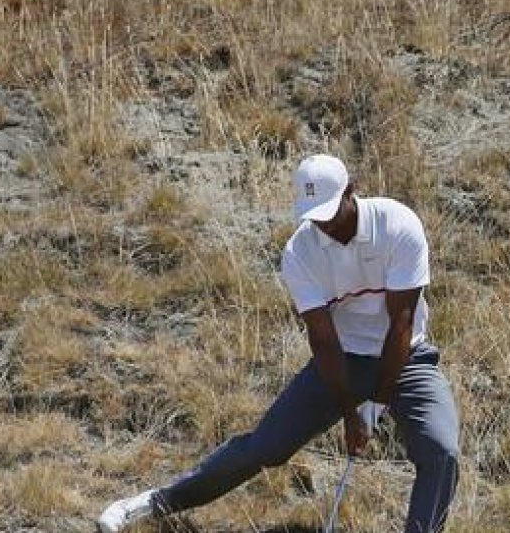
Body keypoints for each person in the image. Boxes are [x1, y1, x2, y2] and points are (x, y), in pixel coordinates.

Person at [97, 154, 460, 533]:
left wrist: (378, 403)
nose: (324, 226)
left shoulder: (398, 225)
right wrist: (350, 411)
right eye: (314, 217)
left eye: (330, 213)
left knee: (441, 451)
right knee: (265, 448)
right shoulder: (300, 252)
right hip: (341, 359)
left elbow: (400, 325)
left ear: (351, 192)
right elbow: (322, 339)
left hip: (405, 360)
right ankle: (156, 501)